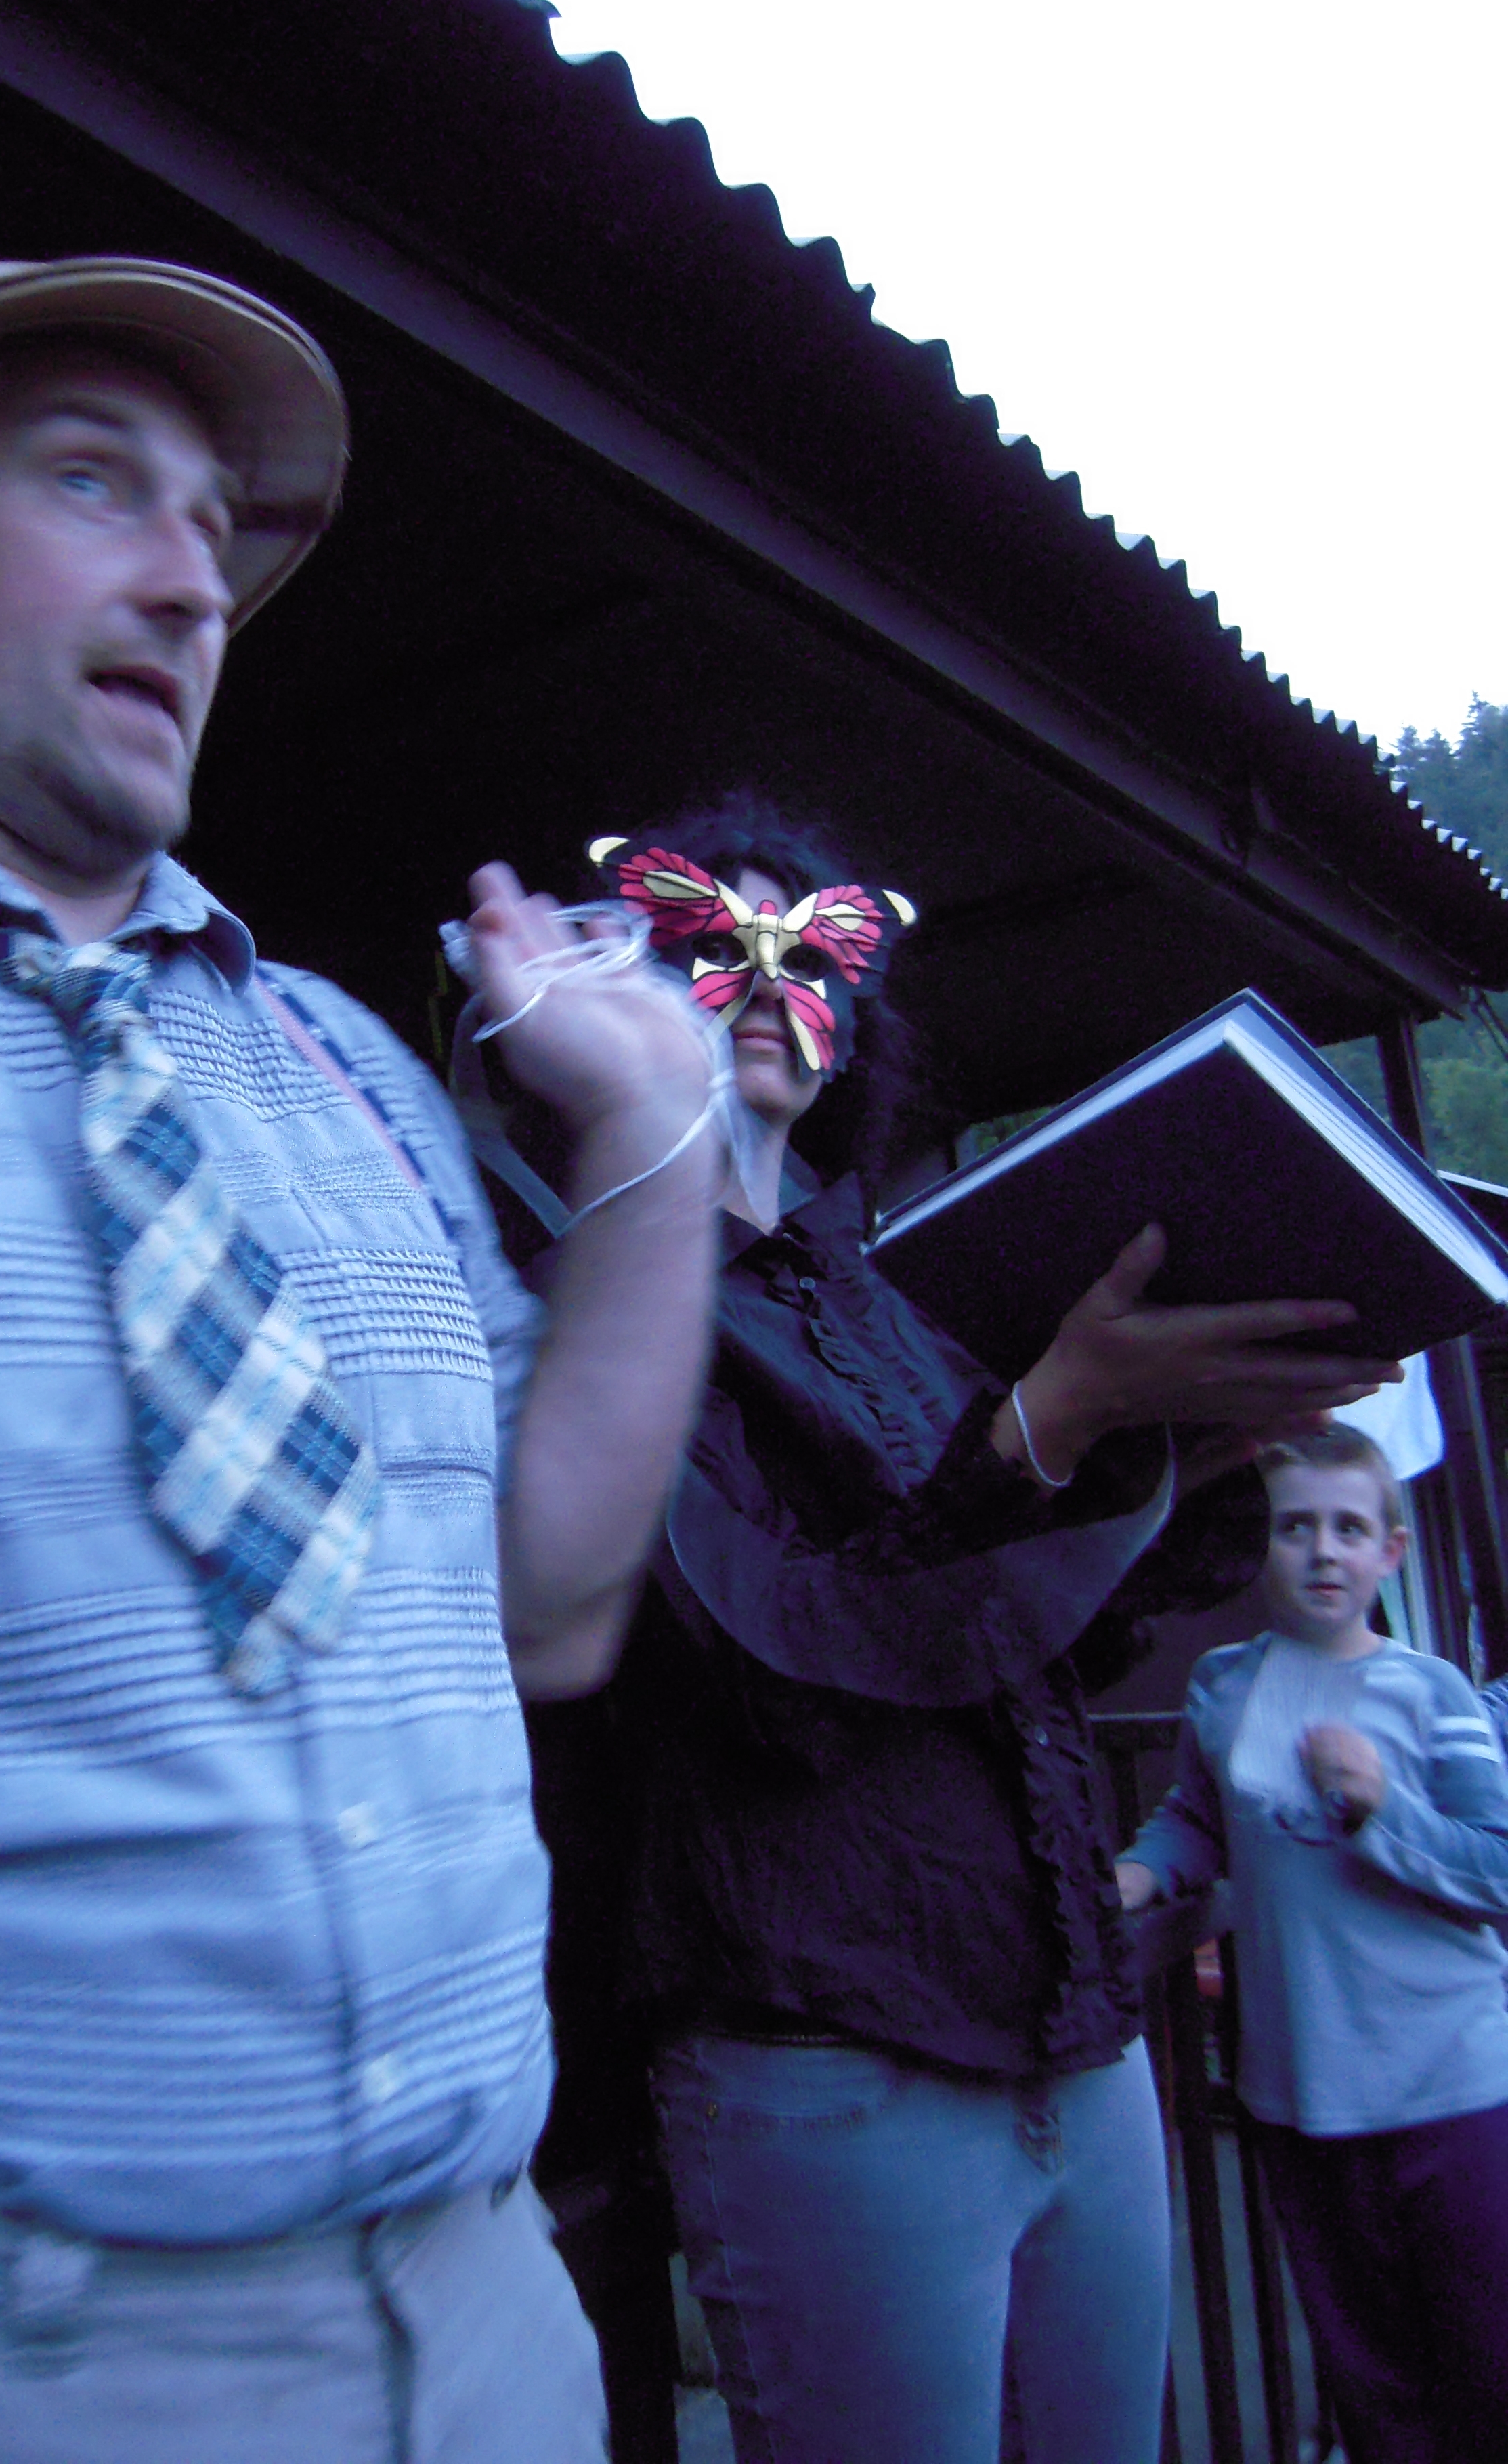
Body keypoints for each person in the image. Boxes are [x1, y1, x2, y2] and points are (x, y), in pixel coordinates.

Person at [0, 259, 725, 2459]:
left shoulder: (347, 1062)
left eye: (214, 530)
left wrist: (654, 1143)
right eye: (92, 482)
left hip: (491, 2326)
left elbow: (550, 1612)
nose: (190, 579)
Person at [509, 794, 1404, 2464]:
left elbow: (1024, 1650)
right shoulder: (585, 1315)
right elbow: (772, 1674)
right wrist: (1052, 1425)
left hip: (1081, 2033)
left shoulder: (911, 1308)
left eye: (807, 949)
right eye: (707, 939)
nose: (763, 977)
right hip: (831, 2051)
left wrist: (1175, 1467)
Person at [1119, 1425, 1508, 2464]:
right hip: (1301, 2098)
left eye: (1348, 1528)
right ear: (1261, 1544)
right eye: (1296, 1527)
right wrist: (1141, 1875)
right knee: (1371, 2383)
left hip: (1456, 2092)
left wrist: (1382, 1807)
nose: (1323, 1550)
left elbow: (1499, 1868)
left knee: (1488, 2368)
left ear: (1391, 1551)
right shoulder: (1221, 1685)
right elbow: (1200, 1820)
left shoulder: (1434, 1691)